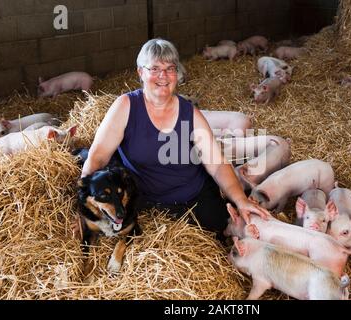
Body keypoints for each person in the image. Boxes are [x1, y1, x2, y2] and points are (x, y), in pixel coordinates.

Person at [81, 38, 268, 239]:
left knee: (224, 233)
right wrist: (83, 207)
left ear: (177, 74)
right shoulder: (125, 106)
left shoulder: (190, 113)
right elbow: (97, 158)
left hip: (193, 195)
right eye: (154, 68)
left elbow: (217, 164)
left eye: (170, 68)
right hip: (146, 200)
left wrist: (241, 200)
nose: (163, 76)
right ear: (140, 72)